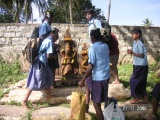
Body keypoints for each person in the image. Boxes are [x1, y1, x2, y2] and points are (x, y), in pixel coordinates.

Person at [78, 28, 110, 120]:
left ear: (92, 37)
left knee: (96, 103)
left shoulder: (93, 48)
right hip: (106, 76)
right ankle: (88, 106)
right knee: (101, 98)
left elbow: (91, 65)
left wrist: (82, 79)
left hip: (98, 78)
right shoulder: (105, 46)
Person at [21, 29, 57, 110]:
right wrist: (54, 56)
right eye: (56, 36)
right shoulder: (49, 41)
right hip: (39, 63)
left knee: (50, 75)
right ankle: (24, 100)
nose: (57, 38)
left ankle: (48, 94)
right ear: (54, 35)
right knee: (35, 81)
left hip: (42, 62)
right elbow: (48, 56)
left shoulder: (46, 40)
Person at [84, 7, 102, 113]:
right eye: (86, 15)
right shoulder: (90, 24)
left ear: (92, 14)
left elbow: (101, 32)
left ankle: (91, 101)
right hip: (92, 46)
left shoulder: (96, 22)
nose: (87, 16)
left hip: (96, 46)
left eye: (89, 14)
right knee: (90, 74)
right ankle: (87, 102)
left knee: (92, 68)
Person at [127, 28, 148, 104]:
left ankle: (136, 97)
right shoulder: (135, 43)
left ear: (138, 35)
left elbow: (142, 55)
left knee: (133, 81)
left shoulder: (139, 43)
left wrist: (132, 52)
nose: (132, 36)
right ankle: (145, 97)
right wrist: (131, 52)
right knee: (141, 81)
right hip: (137, 64)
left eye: (133, 34)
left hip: (141, 65)